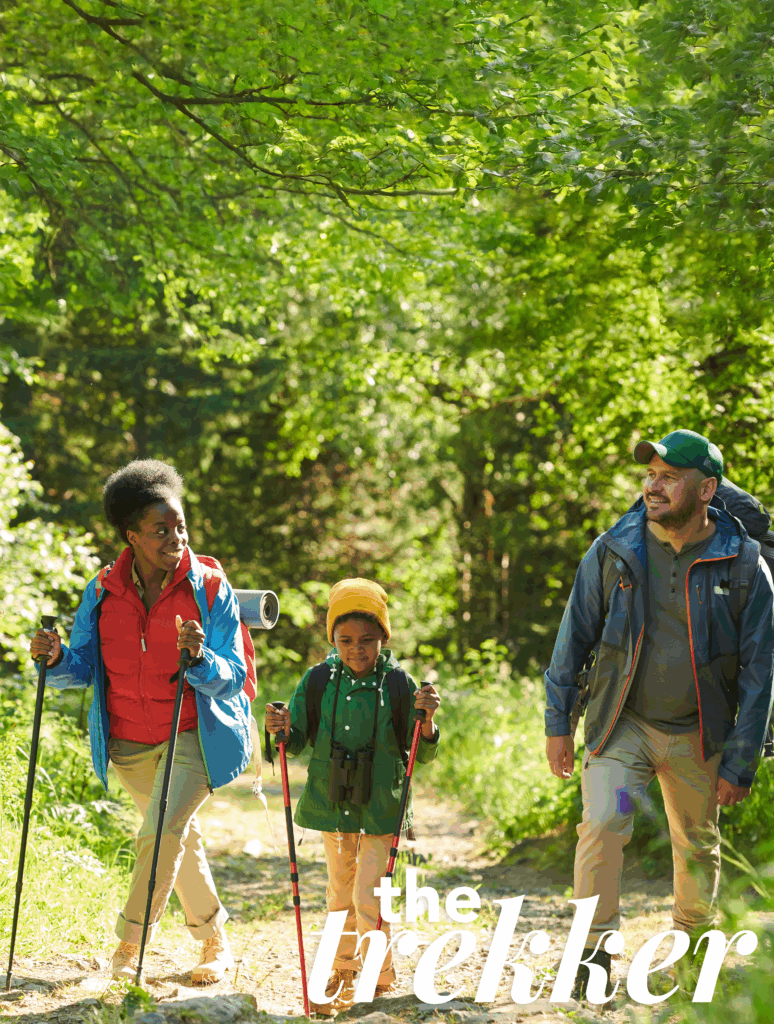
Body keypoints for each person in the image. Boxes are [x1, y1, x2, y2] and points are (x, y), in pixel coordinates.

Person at [543, 430, 774, 999]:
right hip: (623, 726)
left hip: (700, 734)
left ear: (707, 489)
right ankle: (593, 953)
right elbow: (573, 638)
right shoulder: (614, 550)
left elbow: (760, 673)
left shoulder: (745, 565)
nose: (654, 485)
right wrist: (558, 723)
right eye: (650, 475)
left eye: (670, 477)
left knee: (696, 843)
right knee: (604, 823)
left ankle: (691, 951)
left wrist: (740, 761)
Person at [31, 460, 250, 984]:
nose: (176, 538)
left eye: (180, 526)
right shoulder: (102, 591)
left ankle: (129, 946)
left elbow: (234, 676)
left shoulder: (210, 588)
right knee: (176, 838)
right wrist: (56, 658)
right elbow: (84, 668)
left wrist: (201, 660)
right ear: (132, 535)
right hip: (128, 744)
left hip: (193, 734)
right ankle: (215, 942)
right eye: (160, 530)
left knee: (160, 831)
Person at [265, 578, 440, 1015]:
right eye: (345, 640)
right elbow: (295, 740)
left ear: (383, 637)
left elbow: (421, 751)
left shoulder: (398, 682)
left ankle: (377, 977)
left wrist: (429, 721)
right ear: (333, 639)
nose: (356, 649)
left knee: (369, 895)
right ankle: (343, 971)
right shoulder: (318, 680)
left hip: (382, 802)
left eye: (367, 640)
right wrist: (280, 729)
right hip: (333, 801)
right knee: (340, 892)